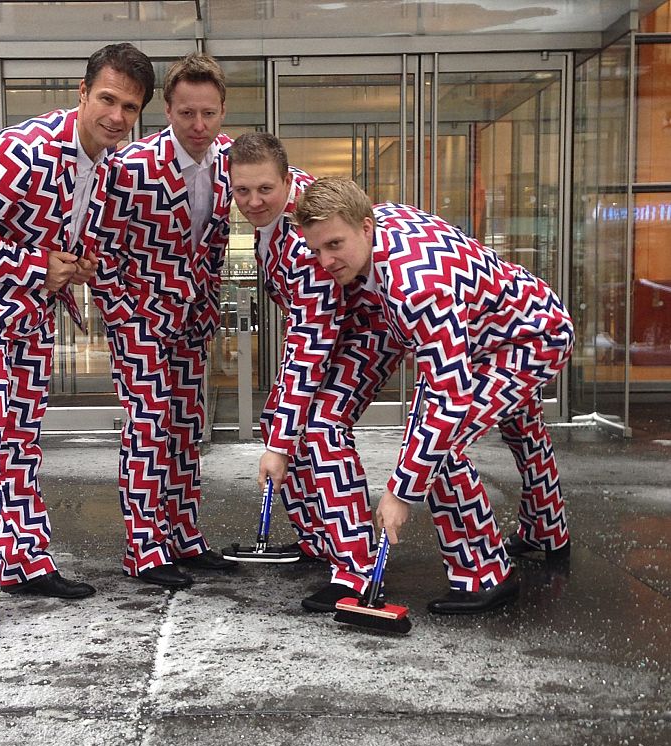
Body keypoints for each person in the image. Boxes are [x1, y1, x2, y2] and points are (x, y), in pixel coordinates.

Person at [0, 43, 156, 640]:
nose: (117, 115)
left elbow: (57, 235)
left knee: (20, 442)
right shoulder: (21, 149)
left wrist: (72, 268)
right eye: (107, 99)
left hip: (27, 314)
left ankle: (26, 563)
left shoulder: (100, 162)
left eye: (130, 106)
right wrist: (37, 267)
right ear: (82, 93)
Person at [292, 176, 575, 614]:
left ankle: (485, 575)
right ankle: (548, 530)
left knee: (442, 444)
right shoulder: (376, 223)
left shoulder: (414, 285)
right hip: (498, 323)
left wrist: (400, 492)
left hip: (530, 339)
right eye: (316, 250)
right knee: (523, 428)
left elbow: (448, 401)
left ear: (366, 227)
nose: (325, 261)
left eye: (334, 245)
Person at [229, 133, 405, 611]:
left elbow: (311, 343)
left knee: (322, 426)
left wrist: (279, 448)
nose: (253, 201)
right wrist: (280, 435)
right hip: (333, 330)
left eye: (265, 189)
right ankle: (318, 539)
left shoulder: (306, 237)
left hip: (370, 330)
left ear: (288, 181)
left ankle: (358, 567)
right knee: (283, 419)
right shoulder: (272, 218)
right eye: (241, 191)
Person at [92, 53, 233, 589]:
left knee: (185, 431)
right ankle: (145, 550)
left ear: (222, 112)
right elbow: (99, 248)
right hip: (140, 324)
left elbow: (282, 185)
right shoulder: (131, 165)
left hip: (195, 323)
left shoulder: (228, 163)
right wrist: (124, 316)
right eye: (187, 114)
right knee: (149, 433)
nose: (199, 126)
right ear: (167, 111)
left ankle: (184, 536)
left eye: (209, 114)